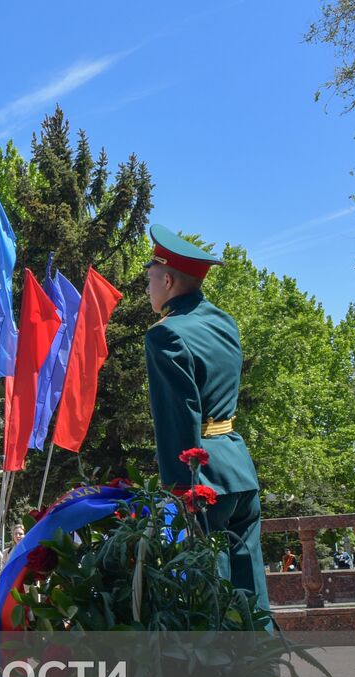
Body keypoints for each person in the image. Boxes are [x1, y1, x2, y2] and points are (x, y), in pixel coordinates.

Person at [143, 224, 268, 612]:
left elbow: (178, 417)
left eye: (149, 280)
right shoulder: (224, 322)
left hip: (203, 480)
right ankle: (264, 668)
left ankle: (219, 674)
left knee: (209, 594)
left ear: (167, 279)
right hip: (238, 467)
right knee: (251, 590)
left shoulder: (166, 335)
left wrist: (178, 489)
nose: (147, 290)